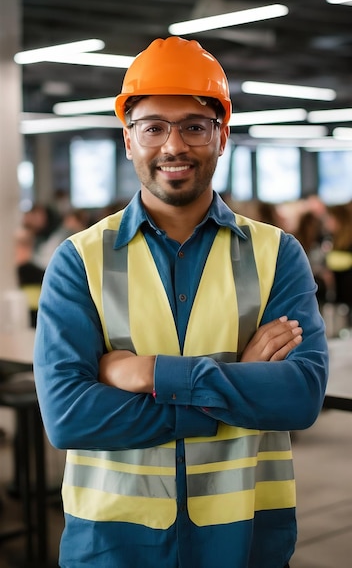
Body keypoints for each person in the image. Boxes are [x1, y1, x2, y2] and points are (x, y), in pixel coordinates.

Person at [33, 37, 329, 568]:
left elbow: (299, 397)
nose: (173, 145)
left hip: (244, 541)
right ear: (129, 140)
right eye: (153, 128)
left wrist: (148, 373)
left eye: (194, 125)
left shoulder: (277, 254)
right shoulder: (79, 259)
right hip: (114, 543)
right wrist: (239, 381)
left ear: (222, 136)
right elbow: (69, 416)